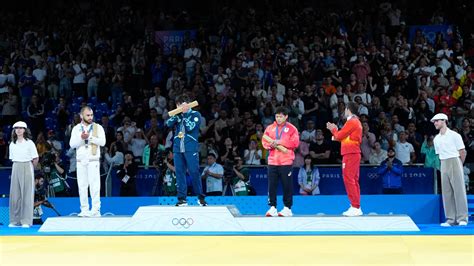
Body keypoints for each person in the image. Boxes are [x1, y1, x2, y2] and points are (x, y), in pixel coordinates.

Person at [165, 94, 207, 206]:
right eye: (177, 105)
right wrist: (177, 115)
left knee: (194, 172)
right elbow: (167, 124)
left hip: (190, 148)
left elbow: (190, 127)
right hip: (178, 148)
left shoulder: (195, 114)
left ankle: (201, 198)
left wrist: (185, 115)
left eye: (180, 105)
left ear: (187, 104)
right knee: (179, 173)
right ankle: (182, 199)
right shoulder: (178, 115)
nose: (178, 107)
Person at [326, 102, 363, 216]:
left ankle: (355, 206)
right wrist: (337, 134)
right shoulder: (355, 122)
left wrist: (333, 129)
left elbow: (339, 136)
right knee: (353, 180)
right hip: (352, 152)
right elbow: (343, 137)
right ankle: (356, 206)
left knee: (349, 179)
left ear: (348, 109)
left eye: (345, 109)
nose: (343, 112)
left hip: (350, 153)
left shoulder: (352, 121)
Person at [431, 113, 468, 226]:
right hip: (444, 162)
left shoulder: (454, 135)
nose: (435, 123)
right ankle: (450, 219)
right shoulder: (436, 139)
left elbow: (462, 151)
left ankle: (462, 218)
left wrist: (459, 165)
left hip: (455, 160)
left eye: (437, 121)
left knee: (459, 191)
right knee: (446, 192)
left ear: (444, 121)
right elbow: (439, 154)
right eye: (434, 122)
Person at [262, 106, 300, 217]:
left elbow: (294, 143)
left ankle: (287, 208)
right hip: (272, 161)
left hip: (286, 161)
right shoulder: (270, 128)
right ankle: (272, 207)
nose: (278, 118)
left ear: (286, 117)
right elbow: (264, 141)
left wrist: (279, 141)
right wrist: (271, 145)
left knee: (287, 185)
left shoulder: (292, 128)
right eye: (277, 116)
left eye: (280, 116)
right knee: (271, 186)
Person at [69, 106, 106, 217]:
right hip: (81, 161)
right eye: (88, 115)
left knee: (95, 185)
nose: (90, 117)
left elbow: (103, 142)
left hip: (93, 160)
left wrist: (89, 137)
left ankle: (96, 209)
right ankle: (84, 209)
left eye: (91, 115)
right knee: (82, 185)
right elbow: (72, 144)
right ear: (81, 116)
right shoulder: (76, 128)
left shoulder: (97, 127)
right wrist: (81, 138)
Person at [8, 121, 39, 228]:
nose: (19, 130)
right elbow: (12, 158)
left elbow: (35, 158)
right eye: (17, 128)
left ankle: (26, 220)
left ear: (25, 130)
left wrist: (31, 169)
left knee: (27, 195)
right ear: (14, 130)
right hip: (16, 166)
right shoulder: (12, 144)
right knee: (15, 196)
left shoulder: (29, 143)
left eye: (21, 128)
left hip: (27, 165)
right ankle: (14, 220)